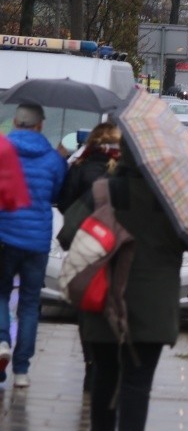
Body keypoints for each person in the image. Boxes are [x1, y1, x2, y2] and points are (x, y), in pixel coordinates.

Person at [58, 136, 186, 431]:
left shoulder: (105, 192)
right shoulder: (173, 199)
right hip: (153, 312)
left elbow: (68, 234)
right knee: (137, 385)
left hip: (104, 305)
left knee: (105, 377)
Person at [0, 104, 67, 388]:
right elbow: (56, 192)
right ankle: (22, 370)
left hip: (4, 235)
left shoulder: (2, 150)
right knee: (29, 304)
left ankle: (2, 341)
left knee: (1, 293)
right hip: (37, 241)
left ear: (15, 122)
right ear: (41, 126)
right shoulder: (52, 158)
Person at [57, 122, 122, 392]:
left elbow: (63, 202)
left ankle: (90, 364)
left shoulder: (80, 167)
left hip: (86, 244)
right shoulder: (121, 172)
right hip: (116, 248)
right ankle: (110, 361)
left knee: (87, 305)